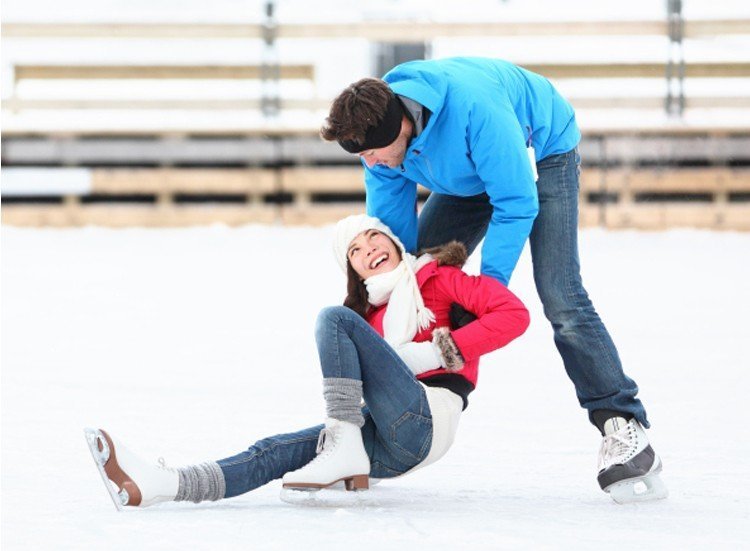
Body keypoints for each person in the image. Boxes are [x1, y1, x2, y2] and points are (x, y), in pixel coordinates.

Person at [320, 57, 667, 503]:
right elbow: (396, 249)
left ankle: (622, 424)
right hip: (471, 172)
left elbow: (516, 202)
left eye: (372, 152)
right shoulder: (377, 134)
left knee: (561, 295)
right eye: (362, 155)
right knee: (417, 277)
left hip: (542, 151)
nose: (370, 162)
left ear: (401, 127)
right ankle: (401, 406)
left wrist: (489, 290)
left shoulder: (475, 109)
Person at [85, 214, 529, 509]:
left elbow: (514, 315)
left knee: (332, 319)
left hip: (430, 416)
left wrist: (436, 352)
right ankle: (167, 485)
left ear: (392, 240)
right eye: (354, 250)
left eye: (373, 234)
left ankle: (343, 444)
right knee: (274, 451)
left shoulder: (440, 278)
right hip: (393, 446)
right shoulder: (368, 320)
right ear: (355, 271)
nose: (369, 247)